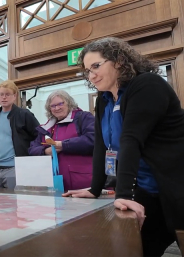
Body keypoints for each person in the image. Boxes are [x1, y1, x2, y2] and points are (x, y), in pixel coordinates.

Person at [62, 37, 184, 256]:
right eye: (87, 71)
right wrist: (94, 188)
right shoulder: (104, 100)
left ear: (119, 61)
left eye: (96, 66)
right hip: (146, 190)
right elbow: (100, 145)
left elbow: (131, 139)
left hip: (173, 186)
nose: (92, 75)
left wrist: (124, 193)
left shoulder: (146, 85)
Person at [28, 90, 95, 191]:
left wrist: (63, 145)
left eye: (60, 104)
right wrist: (46, 151)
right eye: (53, 106)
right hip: (55, 185)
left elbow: (93, 140)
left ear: (69, 103)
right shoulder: (46, 127)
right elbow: (32, 149)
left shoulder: (84, 117)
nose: (57, 108)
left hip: (83, 183)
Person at [0, 80, 40, 189]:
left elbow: (39, 135)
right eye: (1, 94)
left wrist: (32, 157)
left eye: (7, 94)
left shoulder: (24, 114)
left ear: (14, 96)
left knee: (14, 202)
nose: (4, 97)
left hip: (14, 168)